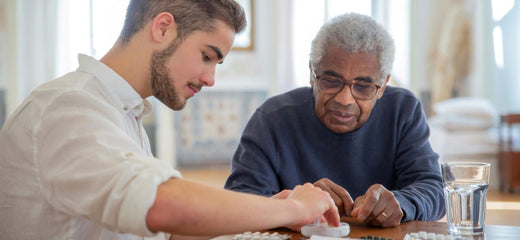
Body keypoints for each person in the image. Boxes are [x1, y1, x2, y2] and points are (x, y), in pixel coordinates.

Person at [0, 1, 340, 239]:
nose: (210, 79)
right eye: (207, 56)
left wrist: (265, 209)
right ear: (163, 27)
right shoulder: (67, 107)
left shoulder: (122, 114)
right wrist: (292, 210)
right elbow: (161, 205)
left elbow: (163, 233)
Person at [225, 12, 445, 228]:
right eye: (331, 81)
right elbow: (239, 203)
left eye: (364, 87)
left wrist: (402, 203)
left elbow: (433, 189)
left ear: (383, 86)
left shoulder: (403, 111)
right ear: (312, 73)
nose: (344, 99)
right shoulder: (272, 118)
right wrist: (296, 202)